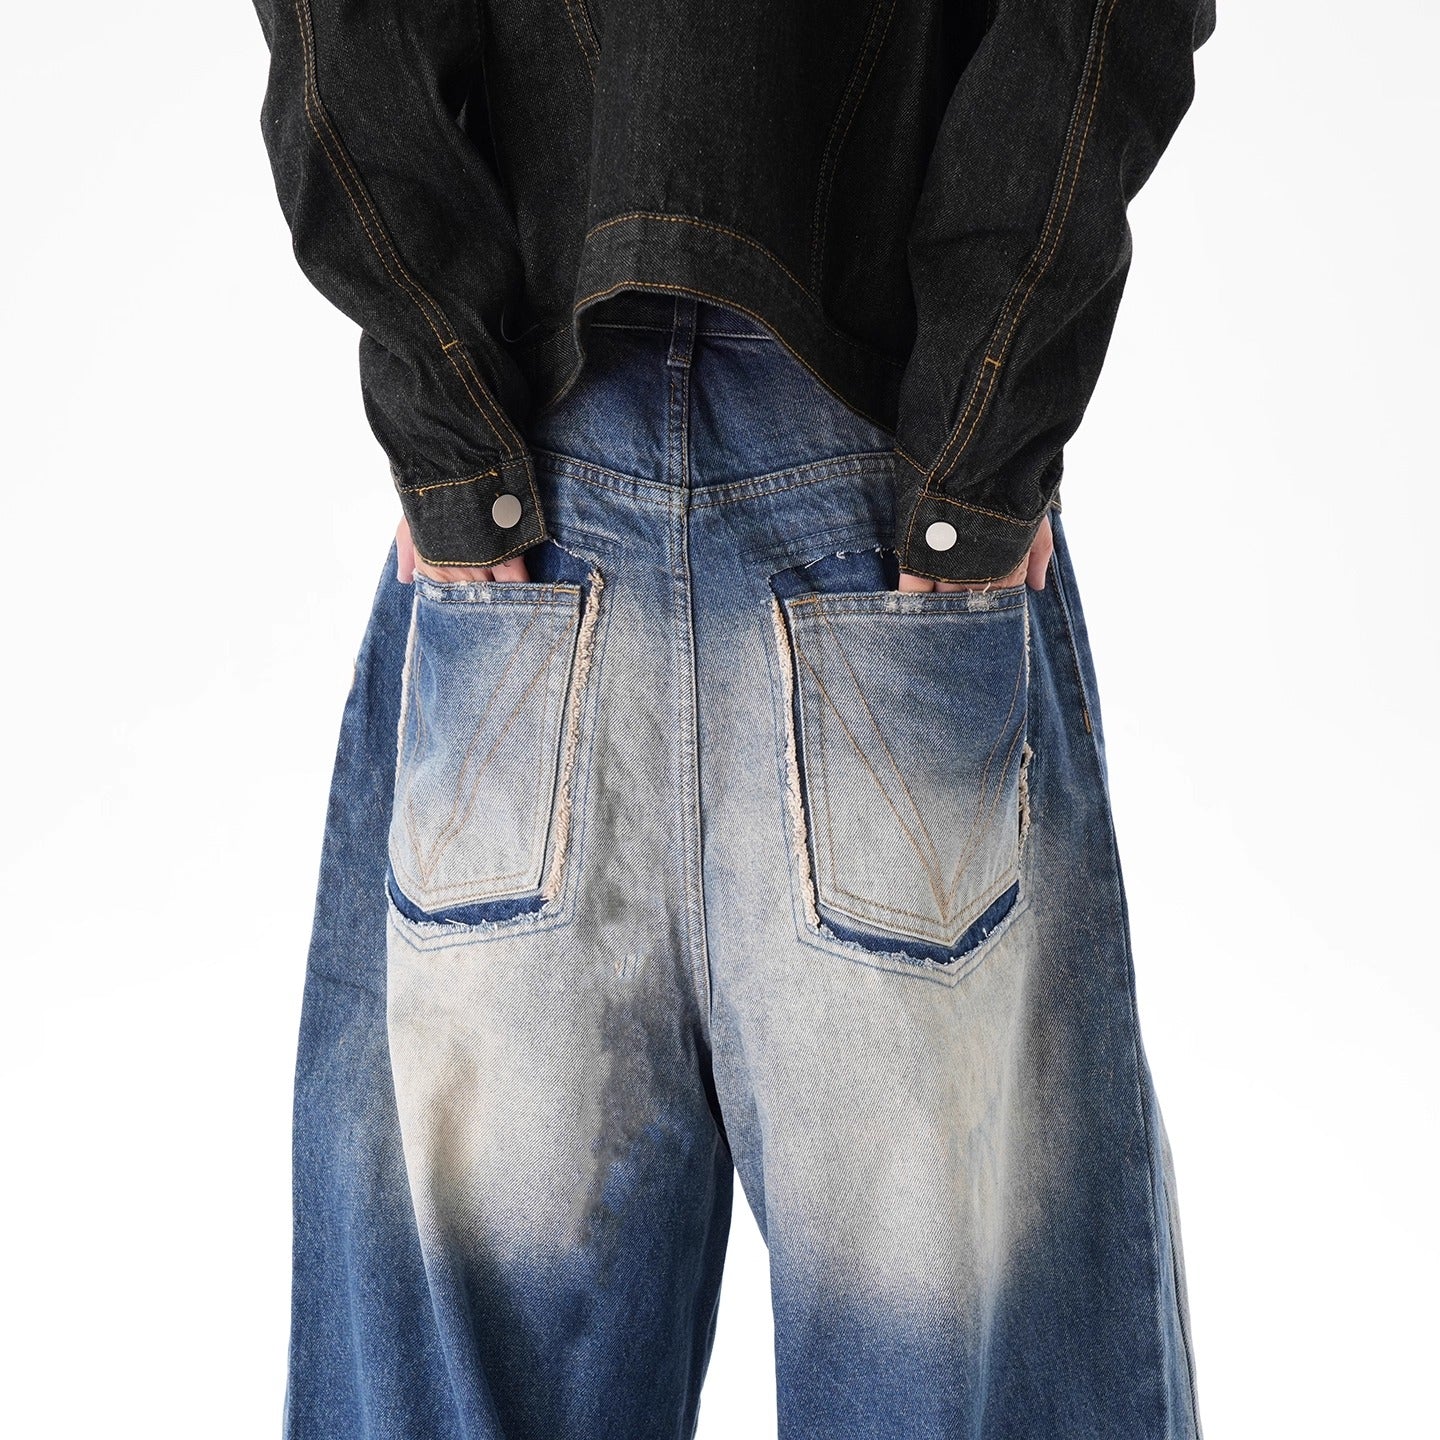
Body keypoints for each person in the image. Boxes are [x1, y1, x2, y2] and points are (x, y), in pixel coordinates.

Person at [251, 2, 1214, 1435]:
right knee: (965, 1382)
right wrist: (978, 440)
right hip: (884, 505)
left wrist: (454, 425)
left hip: (527, 539)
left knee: (458, 1386)